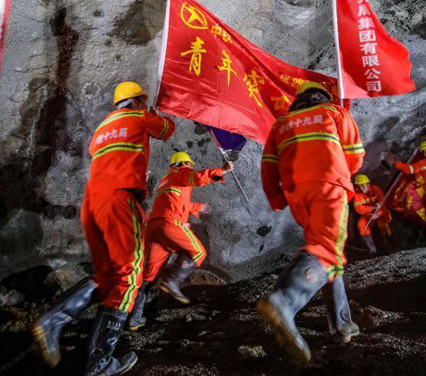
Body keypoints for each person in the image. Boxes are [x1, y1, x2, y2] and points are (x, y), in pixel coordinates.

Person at [33, 82, 174, 375]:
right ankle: (99, 363)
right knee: (128, 276)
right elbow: (166, 129)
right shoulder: (138, 117)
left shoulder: (101, 130)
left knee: (109, 275)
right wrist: (155, 112)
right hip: (119, 201)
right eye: (141, 102)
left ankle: (53, 321)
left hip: (92, 203)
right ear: (135, 102)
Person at [257, 81, 364, 363]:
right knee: (327, 250)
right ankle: (285, 301)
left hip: (297, 192)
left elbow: (268, 164)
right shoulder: (335, 112)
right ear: (323, 96)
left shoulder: (281, 123)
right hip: (329, 185)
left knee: (324, 250)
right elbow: (354, 154)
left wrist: (277, 197)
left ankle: (342, 322)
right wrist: (342, 175)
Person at [127, 151, 232, 330]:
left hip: (154, 229)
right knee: (198, 252)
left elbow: (178, 203)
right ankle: (172, 281)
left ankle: (133, 318)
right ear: (184, 164)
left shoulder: (165, 181)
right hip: (170, 224)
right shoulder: (181, 173)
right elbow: (197, 178)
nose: (190, 167)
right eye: (189, 164)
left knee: (149, 275)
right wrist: (222, 170)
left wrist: (197, 207)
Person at [351, 174, 388, 255]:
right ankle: (372, 249)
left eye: (363, 185)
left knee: (383, 223)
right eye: (359, 186)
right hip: (368, 214)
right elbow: (359, 209)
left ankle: (388, 246)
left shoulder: (375, 189)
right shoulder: (356, 193)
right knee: (362, 225)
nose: (361, 188)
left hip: (381, 211)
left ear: (368, 184)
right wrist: (372, 209)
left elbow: (383, 202)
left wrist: (378, 212)